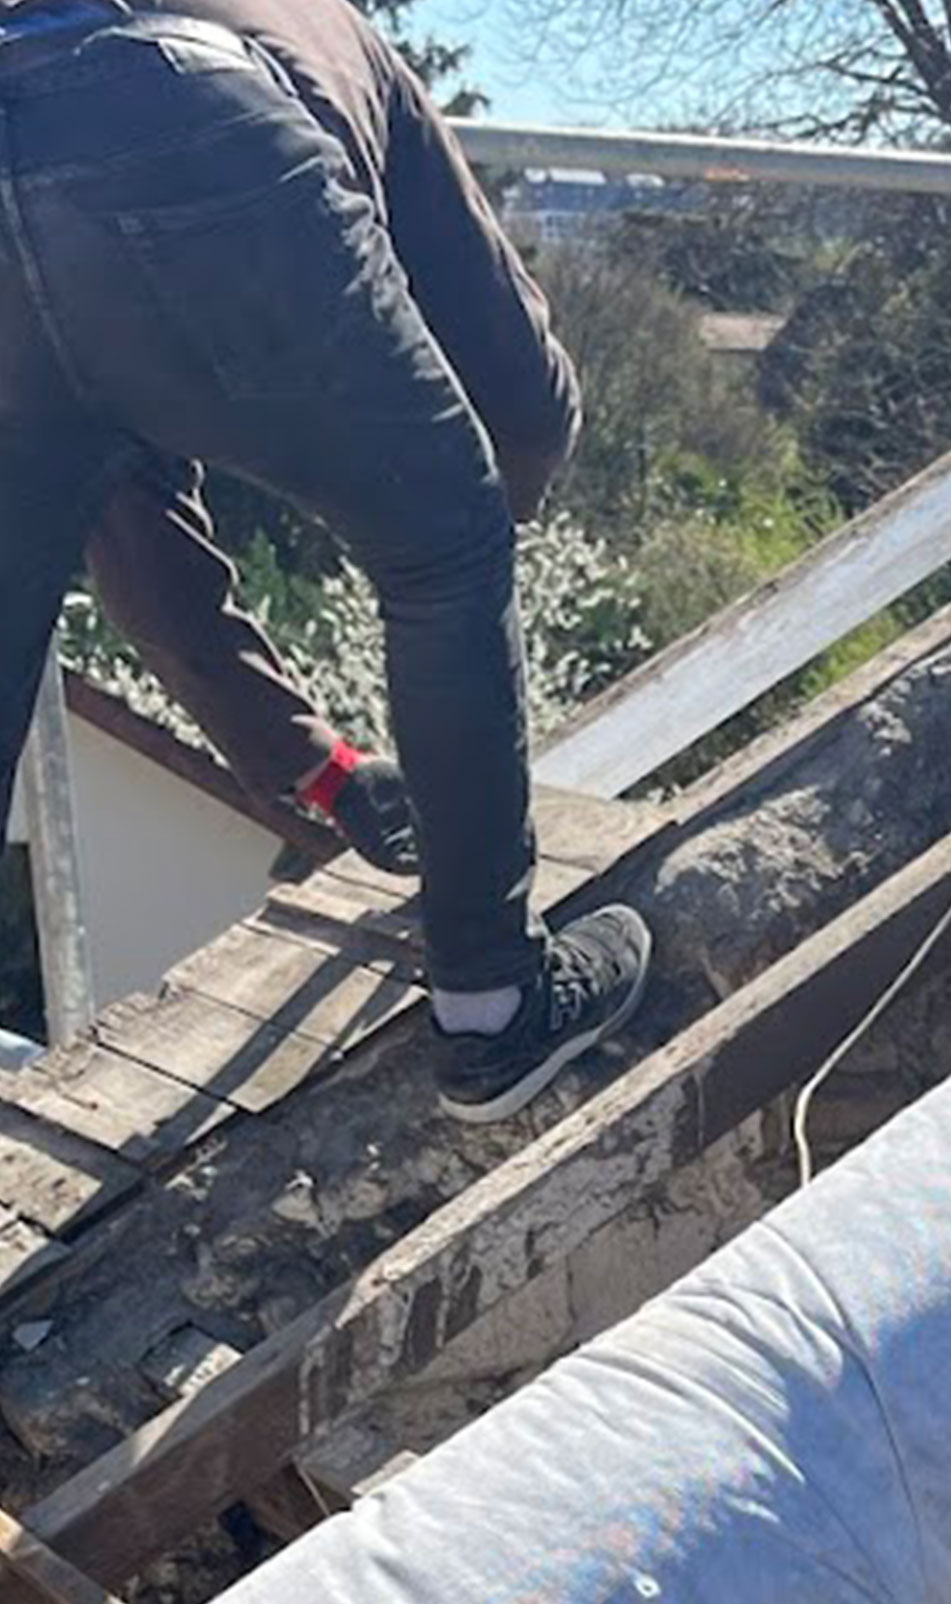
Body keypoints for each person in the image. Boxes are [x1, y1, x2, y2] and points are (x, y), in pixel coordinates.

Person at [0, 0, 649, 1121]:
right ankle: (494, 1009)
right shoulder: (330, 25)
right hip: (189, 108)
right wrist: (477, 531)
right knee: (445, 546)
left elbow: (129, 528)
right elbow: (522, 410)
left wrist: (317, 765)